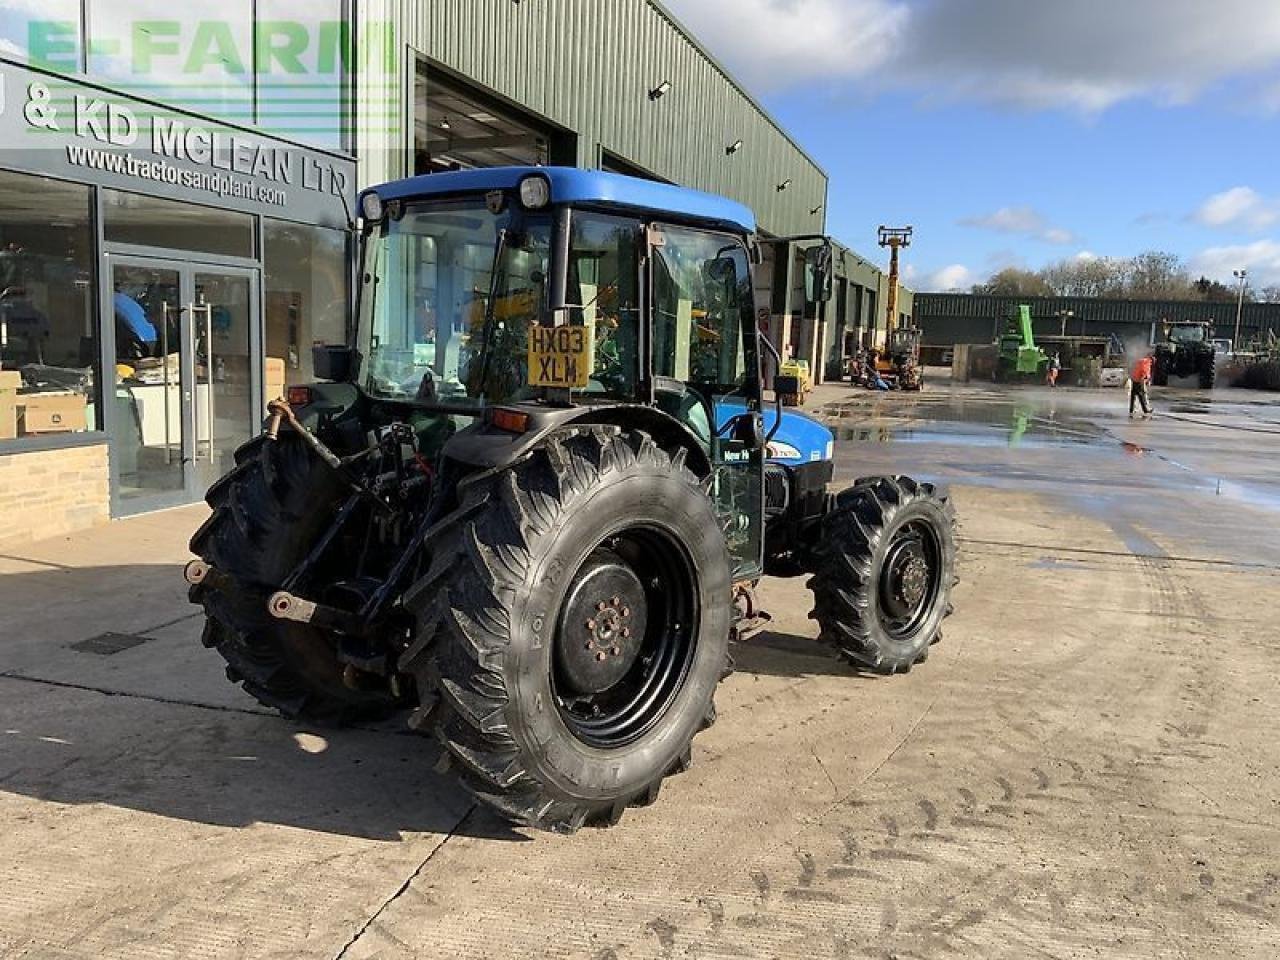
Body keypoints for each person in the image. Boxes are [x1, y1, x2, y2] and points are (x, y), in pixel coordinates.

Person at [1130, 353, 1153, 418]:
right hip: (1140, 380)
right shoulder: (1146, 362)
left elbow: (1134, 370)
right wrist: (1145, 379)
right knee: (1141, 395)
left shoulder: (1139, 361)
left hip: (1134, 379)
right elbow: (1144, 371)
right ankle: (1145, 410)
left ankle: (1131, 409)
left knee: (1133, 395)